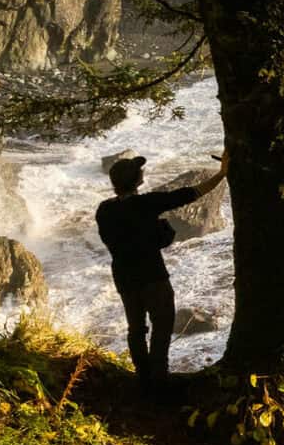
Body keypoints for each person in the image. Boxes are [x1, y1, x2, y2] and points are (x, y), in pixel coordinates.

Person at [95, 149, 228, 393]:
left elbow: (116, 237)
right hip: (152, 275)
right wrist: (222, 174)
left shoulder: (104, 210)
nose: (142, 172)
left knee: (136, 328)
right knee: (163, 324)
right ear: (137, 180)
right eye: (139, 171)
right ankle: (159, 378)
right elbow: (191, 194)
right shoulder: (147, 203)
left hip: (124, 277)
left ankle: (143, 376)